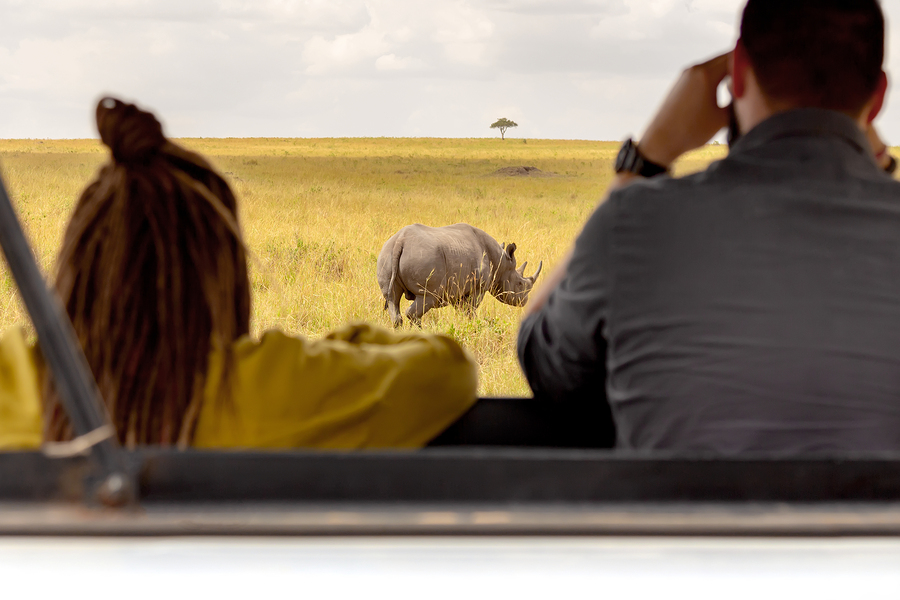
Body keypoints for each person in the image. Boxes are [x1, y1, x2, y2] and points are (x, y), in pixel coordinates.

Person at [518, 0, 900, 452]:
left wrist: (645, 160)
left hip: (680, 521)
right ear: (878, 97)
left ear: (736, 72)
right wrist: (878, 164)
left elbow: (545, 362)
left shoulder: (634, 221)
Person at [0, 97, 477, 450]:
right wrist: (342, 342)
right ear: (222, 276)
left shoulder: (17, 376)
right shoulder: (262, 384)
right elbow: (449, 369)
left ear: (74, 268)